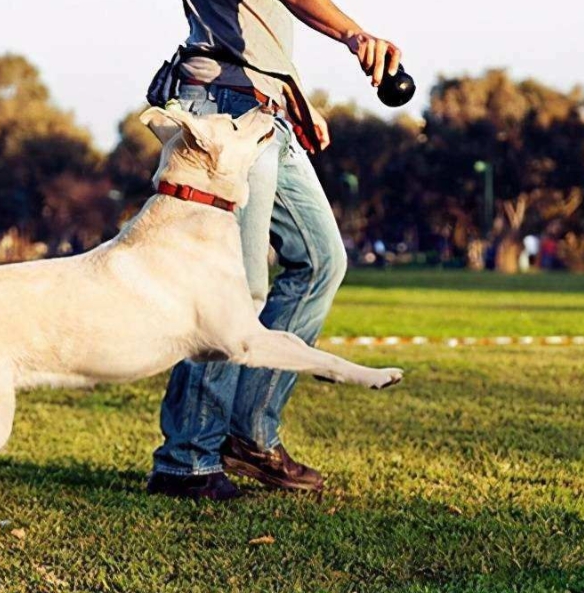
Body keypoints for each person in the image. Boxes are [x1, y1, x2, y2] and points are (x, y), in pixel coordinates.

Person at [144, 0, 403, 500]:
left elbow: (259, 27)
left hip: (266, 109)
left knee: (321, 261)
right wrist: (353, 35)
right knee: (234, 293)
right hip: (223, 108)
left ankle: (249, 434)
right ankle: (187, 458)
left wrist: (292, 96)